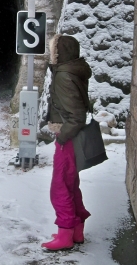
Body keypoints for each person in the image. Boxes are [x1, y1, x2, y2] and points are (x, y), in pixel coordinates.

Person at [42, 34, 92, 251]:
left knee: (60, 187)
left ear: (58, 53)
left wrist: (62, 136)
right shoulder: (74, 70)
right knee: (71, 185)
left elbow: (76, 115)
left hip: (67, 137)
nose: (51, 54)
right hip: (73, 137)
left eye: (53, 50)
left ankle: (65, 234)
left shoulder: (63, 75)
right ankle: (76, 229)